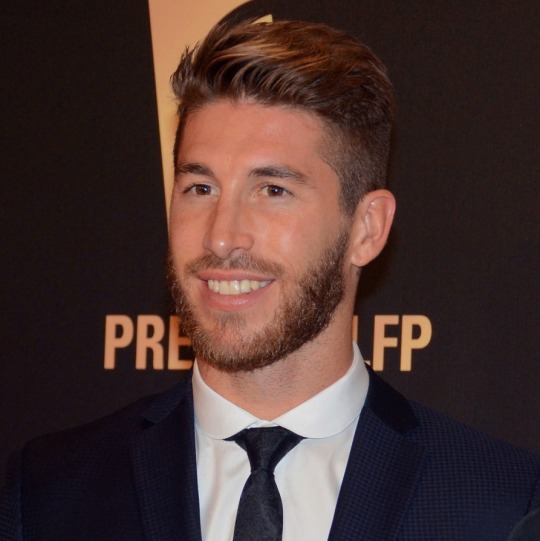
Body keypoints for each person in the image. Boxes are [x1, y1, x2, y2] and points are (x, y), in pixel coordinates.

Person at [1, 18, 539, 541]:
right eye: (200, 189)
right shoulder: (48, 492)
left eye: (273, 191)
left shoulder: (505, 505)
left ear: (367, 228)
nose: (221, 237)